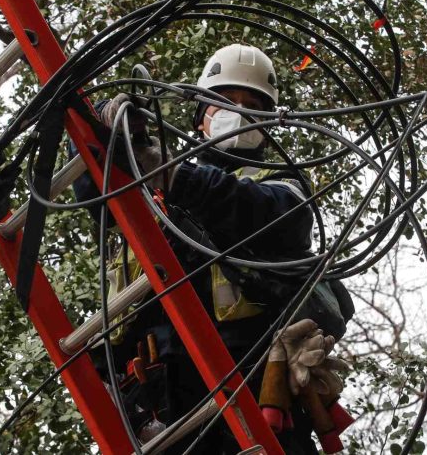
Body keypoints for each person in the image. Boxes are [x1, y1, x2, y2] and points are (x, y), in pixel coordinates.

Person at [72, 44, 354, 453]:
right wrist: (105, 121)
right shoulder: (153, 193)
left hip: (247, 399)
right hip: (155, 406)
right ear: (198, 115)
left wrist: (165, 171)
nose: (236, 113)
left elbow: (253, 208)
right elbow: (94, 189)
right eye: (223, 101)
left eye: (251, 105)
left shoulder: (281, 187)